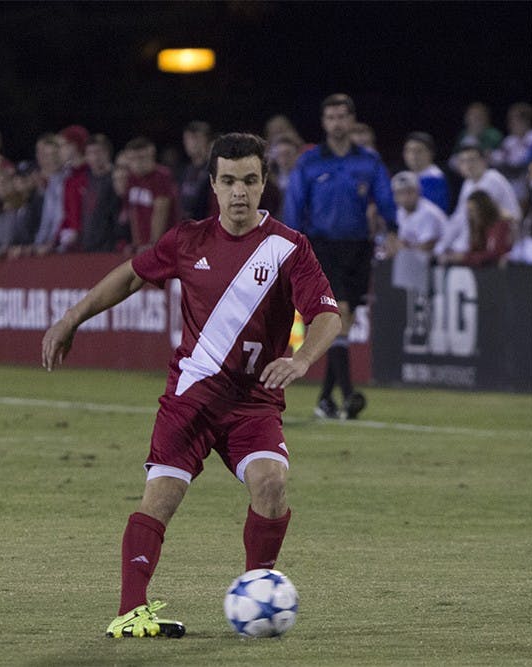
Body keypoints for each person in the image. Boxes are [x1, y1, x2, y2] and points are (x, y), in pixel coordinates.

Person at [42, 133, 341, 639]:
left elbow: (328, 316)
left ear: (264, 183)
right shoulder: (188, 240)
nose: (239, 192)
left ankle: (255, 592)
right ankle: (131, 612)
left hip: (253, 403)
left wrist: (302, 357)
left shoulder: (289, 248)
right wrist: (72, 317)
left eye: (249, 180)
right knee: (162, 495)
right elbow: (131, 277)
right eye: (229, 181)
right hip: (192, 400)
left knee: (271, 485)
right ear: (213, 185)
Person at [283, 93, 397, 420]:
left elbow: (385, 198)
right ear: (324, 123)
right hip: (322, 247)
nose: (336, 123)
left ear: (351, 120)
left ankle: (325, 400)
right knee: (341, 311)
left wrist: (392, 229)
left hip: (358, 247)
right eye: (331, 117)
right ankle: (349, 395)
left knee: (346, 322)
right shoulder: (310, 162)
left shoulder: (369, 161)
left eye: (342, 117)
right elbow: (294, 205)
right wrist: (289, 244)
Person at [436, 145, 521, 256]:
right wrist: (441, 246)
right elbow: (459, 217)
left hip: (504, 241)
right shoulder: (468, 184)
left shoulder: (493, 179)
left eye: (472, 160)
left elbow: (481, 218)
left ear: (483, 161)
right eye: (463, 161)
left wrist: (461, 248)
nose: (468, 165)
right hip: (482, 238)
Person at [125, 136, 180, 252]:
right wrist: (136, 243)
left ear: (151, 154)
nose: (137, 163)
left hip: (165, 245)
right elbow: (133, 212)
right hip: (142, 246)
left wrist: (153, 243)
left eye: (141, 158)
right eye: (132, 159)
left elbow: (161, 210)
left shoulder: (161, 176)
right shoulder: (131, 179)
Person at [437, 189, 513, 268]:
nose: (470, 215)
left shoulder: (499, 225)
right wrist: (455, 257)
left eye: (473, 210)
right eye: (469, 211)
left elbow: (494, 254)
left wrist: (464, 258)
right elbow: (474, 249)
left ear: (484, 209)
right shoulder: (477, 226)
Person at [489, 102, 532, 202]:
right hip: (511, 175)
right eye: (510, 121)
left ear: (525, 121)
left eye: (514, 121)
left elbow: (527, 161)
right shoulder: (509, 141)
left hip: (526, 175)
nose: (510, 124)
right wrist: (489, 156)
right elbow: (499, 156)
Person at [80, 133, 117, 252]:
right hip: (88, 247)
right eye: (90, 153)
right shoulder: (86, 180)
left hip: (110, 248)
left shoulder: (116, 178)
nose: (95, 157)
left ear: (108, 152)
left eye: (99, 152)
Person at [57, 124, 91, 252]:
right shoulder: (69, 178)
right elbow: (67, 213)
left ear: (74, 145)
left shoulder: (90, 175)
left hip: (90, 246)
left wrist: (78, 232)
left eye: (62, 145)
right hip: (71, 246)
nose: (59, 150)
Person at [402, 131, 451, 213]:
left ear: (430, 153)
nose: (413, 155)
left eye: (418, 151)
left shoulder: (436, 179)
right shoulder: (406, 177)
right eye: (409, 151)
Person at [177, 121, 213, 221]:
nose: (191, 143)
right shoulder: (185, 171)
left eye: (196, 138)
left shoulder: (214, 170)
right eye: (187, 139)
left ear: (207, 140)